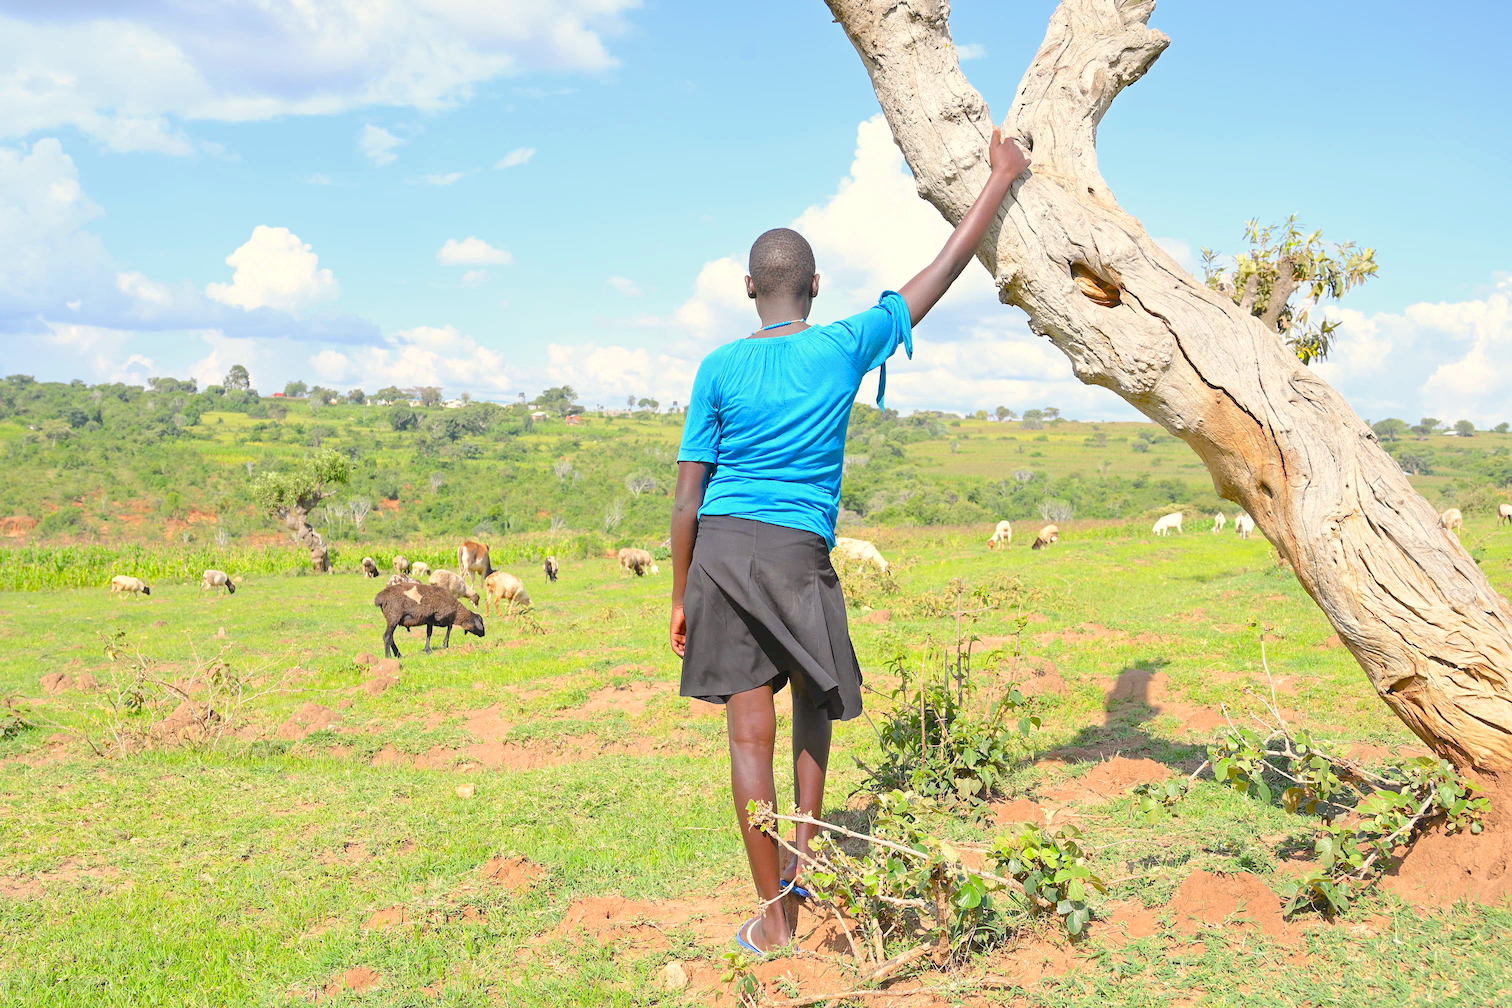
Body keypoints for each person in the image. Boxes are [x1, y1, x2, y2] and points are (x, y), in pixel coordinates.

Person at [668, 128, 1031, 956]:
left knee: (746, 736)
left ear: (749, 288)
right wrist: (1000, 178)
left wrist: (681, 595)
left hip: (722, 554)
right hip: (798, 556)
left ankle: (775, 916)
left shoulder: (718, 366)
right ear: (816, 287)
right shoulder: (843, 345)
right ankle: (803, 867)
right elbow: (939, 272)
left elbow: (688, 493)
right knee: (815, 710)